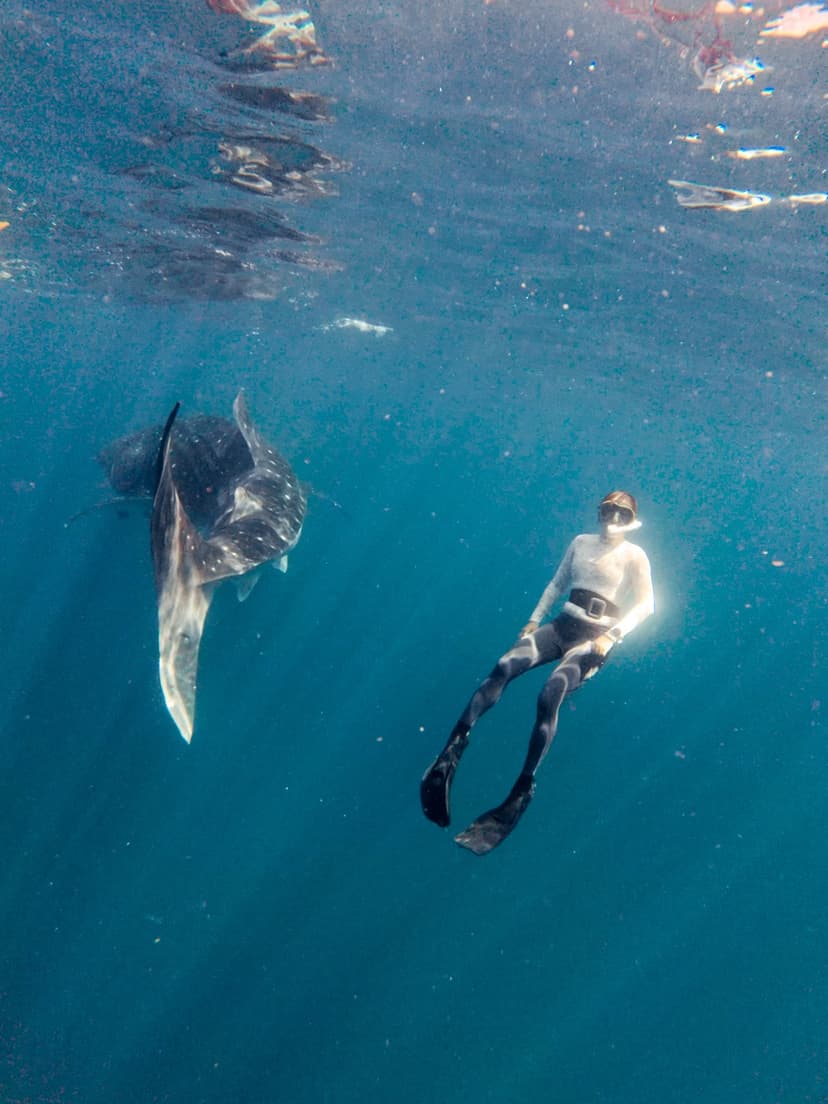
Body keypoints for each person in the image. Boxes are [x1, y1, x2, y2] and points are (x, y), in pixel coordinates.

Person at [420, 491, 655, 855]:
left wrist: (613, 635)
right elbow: (556, 584)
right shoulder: (581, 542)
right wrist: (533, 620)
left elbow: (647, 605)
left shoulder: (634, 556)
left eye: (621, 513)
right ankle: (452, 750)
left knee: (550, 694)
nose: (613, 518)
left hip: (593, 640)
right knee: (504, 666)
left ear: (632, 519)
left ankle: (522, 788)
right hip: (561, 626)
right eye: (608, 510)